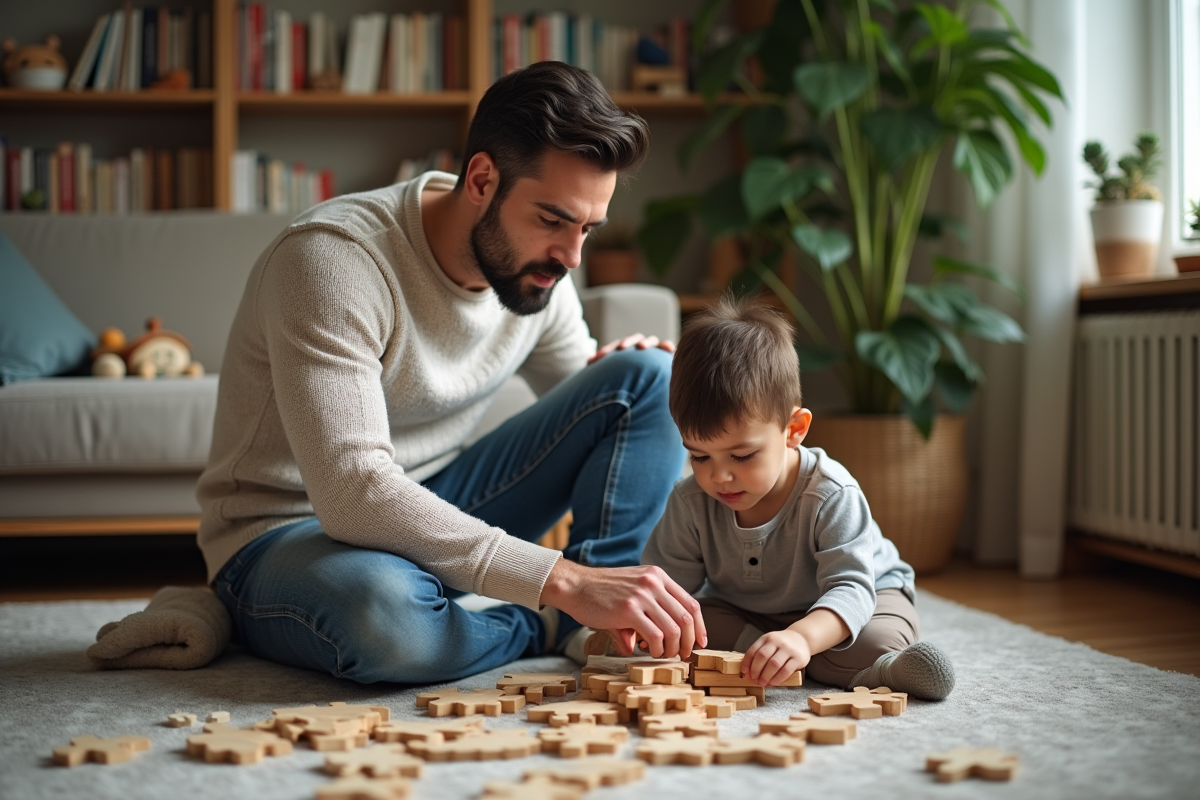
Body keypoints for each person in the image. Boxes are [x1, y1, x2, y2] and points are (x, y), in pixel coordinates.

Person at [195, 61, 705, 685]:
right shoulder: (332, 262)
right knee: (387, 619)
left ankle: (612, 624)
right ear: (482, 179)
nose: (571, 257)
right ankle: (556, 625)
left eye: (587, 229)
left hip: (435, 498)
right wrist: (561, 582)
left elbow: (607, 420)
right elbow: (354, 495)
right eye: (551, 220)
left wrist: (652, 384)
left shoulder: (538, 275)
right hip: (285, 536)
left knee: (648, 375)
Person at [637, 295, 955, 700]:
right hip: (752, 614)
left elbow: (853, 590)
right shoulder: (690, 503)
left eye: (742, 455)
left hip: (856, 600)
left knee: (873, 638)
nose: (719, 475)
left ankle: (886, 670)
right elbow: (668, 590)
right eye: (699, 456)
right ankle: (772, 655)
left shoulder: (830, 493)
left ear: (794, 429)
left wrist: (803, 639)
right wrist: (648, 623)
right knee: (695, 625)